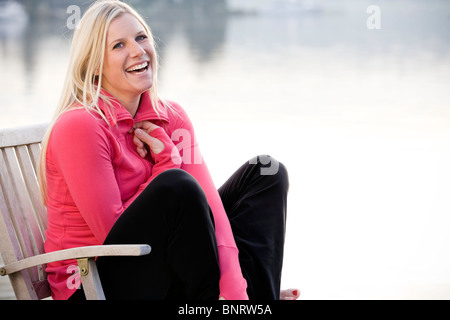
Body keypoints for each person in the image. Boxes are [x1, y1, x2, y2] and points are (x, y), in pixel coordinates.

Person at [38, 0, 299, 300]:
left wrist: (237, 290)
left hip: (163, 266)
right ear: (94, 65)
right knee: (177, 186)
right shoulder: (80, 126)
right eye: (118, 45)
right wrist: (165, 165)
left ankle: (254, 300)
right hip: (95, 282)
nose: (137, 50)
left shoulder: (171, 117)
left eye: (141, 37)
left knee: (265, 172)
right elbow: (114, 239)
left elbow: (212, 208)